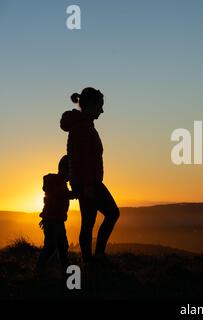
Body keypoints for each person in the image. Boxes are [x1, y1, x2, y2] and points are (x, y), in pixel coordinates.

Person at [60, 87, 120, 263]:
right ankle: (97, 255)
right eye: (100, 106)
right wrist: (88, 186)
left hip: (83, 181)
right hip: (88, 182)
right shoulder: (83, 127)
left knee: (88, 222)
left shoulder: (82, 125)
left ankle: (89, 260)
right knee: (112, 213)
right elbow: (83, 158)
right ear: (91, 105)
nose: (102, 111)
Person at [36, 155, 74, 274]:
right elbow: (57, 193)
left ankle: (65, 268)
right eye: (70, 171)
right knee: (51, 245)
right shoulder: (54, 181)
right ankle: (40, 269)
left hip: (57, 220)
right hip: (52, 221)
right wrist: (73, 194)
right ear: (64, 169)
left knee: (62, 245)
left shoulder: (60, 183)